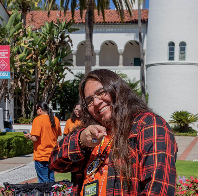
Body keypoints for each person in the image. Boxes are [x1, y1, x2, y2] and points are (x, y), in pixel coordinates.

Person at [49, 69, 177, 195]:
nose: (97, 102)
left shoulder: (148, 125)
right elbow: (56, 163)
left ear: (118, 90)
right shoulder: (92, 133)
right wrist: (81, 140)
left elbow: (158, 189)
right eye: (89, 101)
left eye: (101, 92)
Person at [24, 101, 62, 183]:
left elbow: (35, 138)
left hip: (41, 155)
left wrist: (28, 136)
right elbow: (58, 135)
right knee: (51, 180)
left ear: (40, 109)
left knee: (43, 182)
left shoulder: (38, 120)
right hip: (53, 154)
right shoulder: (56, 119)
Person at [63, 103, 82, 182]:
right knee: (73, 173)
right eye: (76, 109)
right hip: (72, 150)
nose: (78, 112)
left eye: (80, 110)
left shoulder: (85, 121)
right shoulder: (69, 121)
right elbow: (65, 136)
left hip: (82, 150)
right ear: (74, 110)